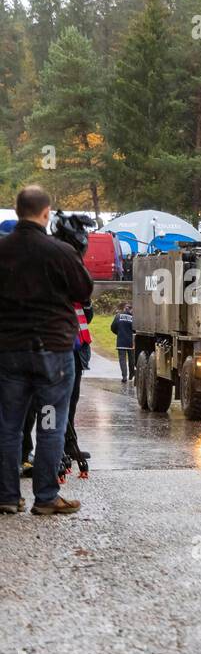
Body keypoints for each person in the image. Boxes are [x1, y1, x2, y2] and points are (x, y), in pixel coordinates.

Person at [0, 186, 92, 516]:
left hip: (10, 353)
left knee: (9, 425)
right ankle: (46, 496)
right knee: (50, 424)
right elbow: (83, 290)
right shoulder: (59, 252)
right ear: (45, 213)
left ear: (16, 210)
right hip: (52, 354)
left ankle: (7, 496)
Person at [110, 303, 135, 383]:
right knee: (131, 359)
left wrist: (119, 333)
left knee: (122, 360)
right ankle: (131, 375)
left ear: (124, 309)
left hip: (121, 341)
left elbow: (113, 327)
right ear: (131, 309)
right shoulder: (133, 318)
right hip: (131, 342)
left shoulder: (118, 316)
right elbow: (135, 330)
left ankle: (124, 376)